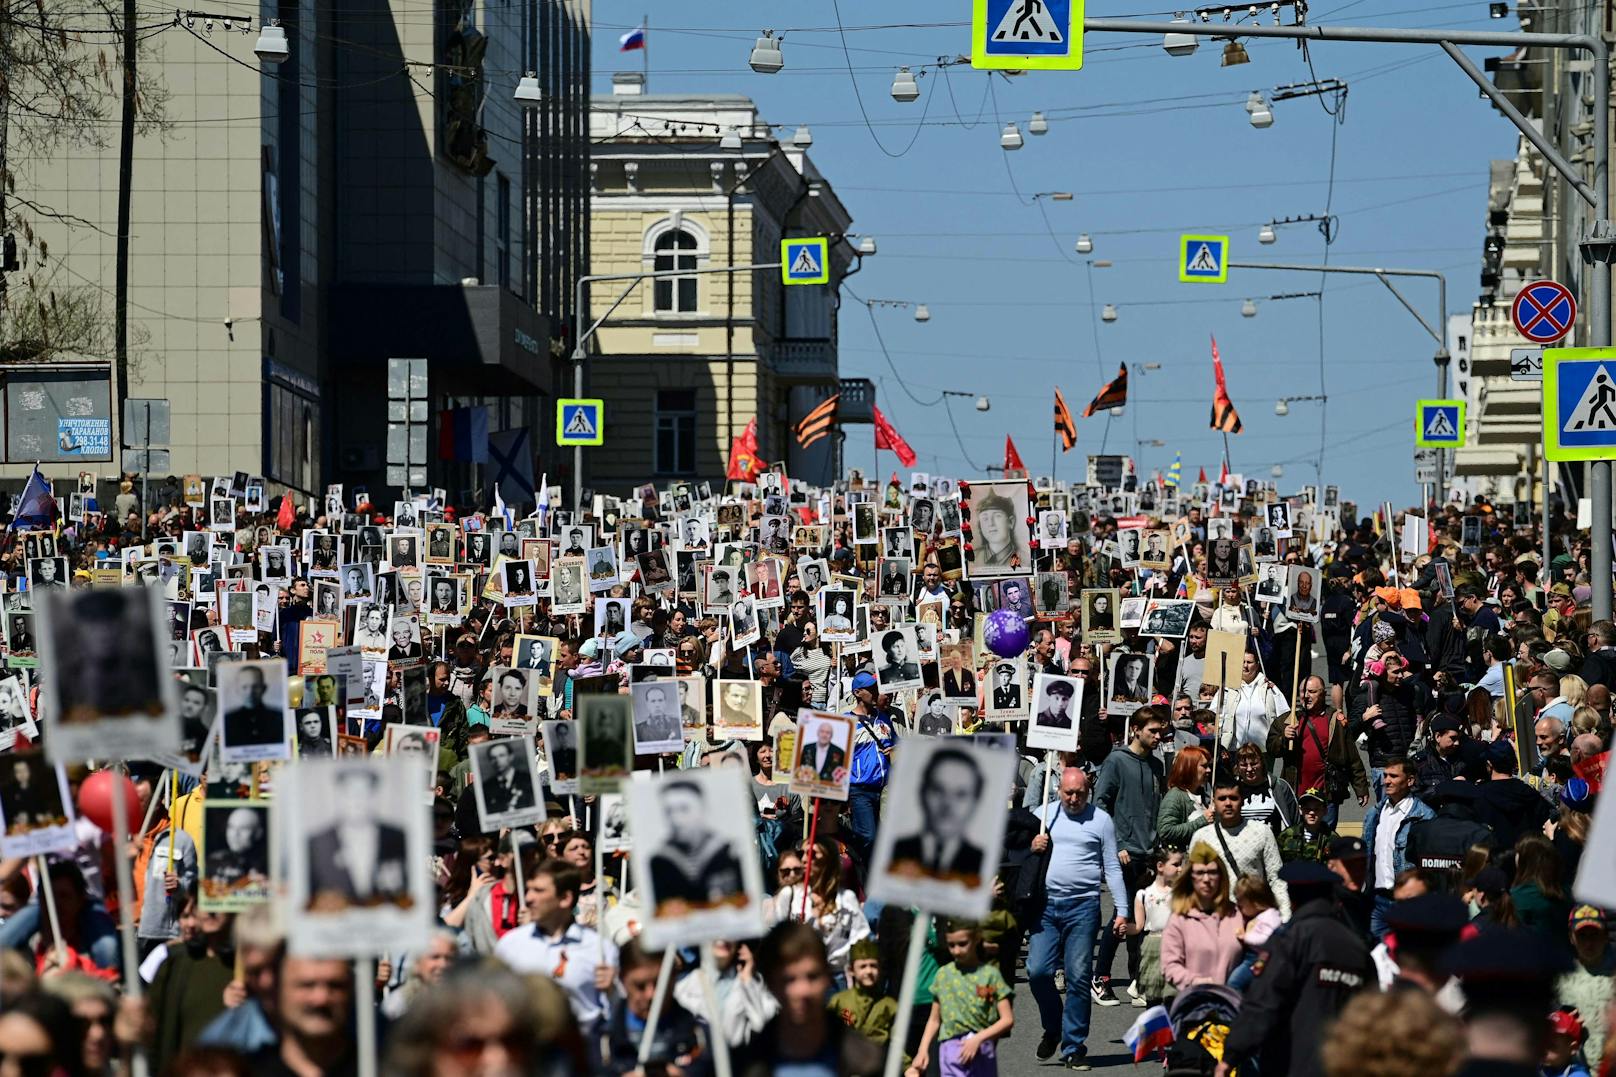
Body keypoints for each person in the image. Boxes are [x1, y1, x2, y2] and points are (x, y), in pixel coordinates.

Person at [1216, 861, 1377, 1077]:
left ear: (1292, 899)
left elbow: (1264, 1001)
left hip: (1291, 1063)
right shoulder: (1357, 947)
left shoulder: (1288, 941)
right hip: (1343, 1064)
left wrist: (1231, 1055)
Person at [1027, 767, 1128, 1069]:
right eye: (1068, 792)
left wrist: (1122, 910)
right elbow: (1020, 855)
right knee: (1038, 972)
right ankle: (1053, 1026)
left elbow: (1111, 867)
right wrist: (1033, 846)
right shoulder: (1043, 815)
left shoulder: (1100, 820)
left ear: (1088, 792)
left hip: (1083, 908)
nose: (1073, 798)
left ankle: (1073, 1046)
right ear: (1058, 790)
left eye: (1080, 793)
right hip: (1046, 906)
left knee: (1079, 977)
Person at [1092, 706, 1167, 1007]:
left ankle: (1138, 980)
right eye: (1153, 731)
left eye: (1161, 732)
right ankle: (1101, 978)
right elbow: (1100, 804)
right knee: (1121, 916)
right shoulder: (1116, 761)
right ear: (1136, 730)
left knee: (1145, 918)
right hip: (1124, 853)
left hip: (1149, 854)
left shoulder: (1158, 765)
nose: (1158, 737)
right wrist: (1117, 843)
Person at [907, 920, 1015, 1077]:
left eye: (962, 944)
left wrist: (978, 1039)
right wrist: (922, 1050)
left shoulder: (989, 975)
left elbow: (1007, 1019)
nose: (957, 951)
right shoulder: (943, 975)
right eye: (951, 945)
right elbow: (934, 1020)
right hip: (950, 1050)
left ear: (976, 939)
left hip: (981, 1049)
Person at [305, 767, 410, 909]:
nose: (356, 801)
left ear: (374, 797)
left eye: (363, 793)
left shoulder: (398, 838)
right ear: (339, 797)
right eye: (349, 793)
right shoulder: (317, 843)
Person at [1189, 776, 1290, 918]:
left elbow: (1277, 878)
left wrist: (1284, 918)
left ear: (1242, 801)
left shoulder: (1262, 832)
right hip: (1214, 918)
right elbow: (1191, 882)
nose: (1228, 803)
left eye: (1233, 798)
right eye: (1222, 798)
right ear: (1214, 802)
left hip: (1253, 918)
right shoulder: (1201, 837)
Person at [888, 747, 986, 884]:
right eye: (938, 790)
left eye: (960, 794)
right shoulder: (895, 852)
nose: (947, 804)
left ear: (975, 802)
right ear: (922, 793)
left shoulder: (982, 862)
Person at [1362, 758, 1436, 939]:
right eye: (1385, 775)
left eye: (1393, 776)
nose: (1386, 780)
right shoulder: (1375, 813)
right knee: (1375, 955)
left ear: (1410, 781)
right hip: (1378, 900)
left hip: (1407, 902)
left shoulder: (1424, 816)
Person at [647, 779, 745, 914]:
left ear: (703, 809)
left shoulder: (731, 854)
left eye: (684, 809)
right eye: (669, 811)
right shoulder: (658, 862)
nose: (676, 819)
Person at [1160, 843, 1245, 992]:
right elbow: (1169, 965)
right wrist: (1195, 982)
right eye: (1200, 873)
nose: (1206, 879)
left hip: (1235, 1006)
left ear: (1221, 876)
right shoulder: (1180, 919)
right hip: (1196, 1005)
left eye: (1212, 872)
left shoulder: (1238, 914)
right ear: (1190, 878)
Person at [221, 665, 282, 749]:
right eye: (244, 687)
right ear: (237, 689)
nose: (250, 692)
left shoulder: (279, 718)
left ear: (264, 688)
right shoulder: (227, 720)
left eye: (255, 686)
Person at [477, 740, 536, 818]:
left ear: (511, 757)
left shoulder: (528, 779)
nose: (497, 761)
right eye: (493, 758)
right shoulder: (486, 786)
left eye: (501, 755)